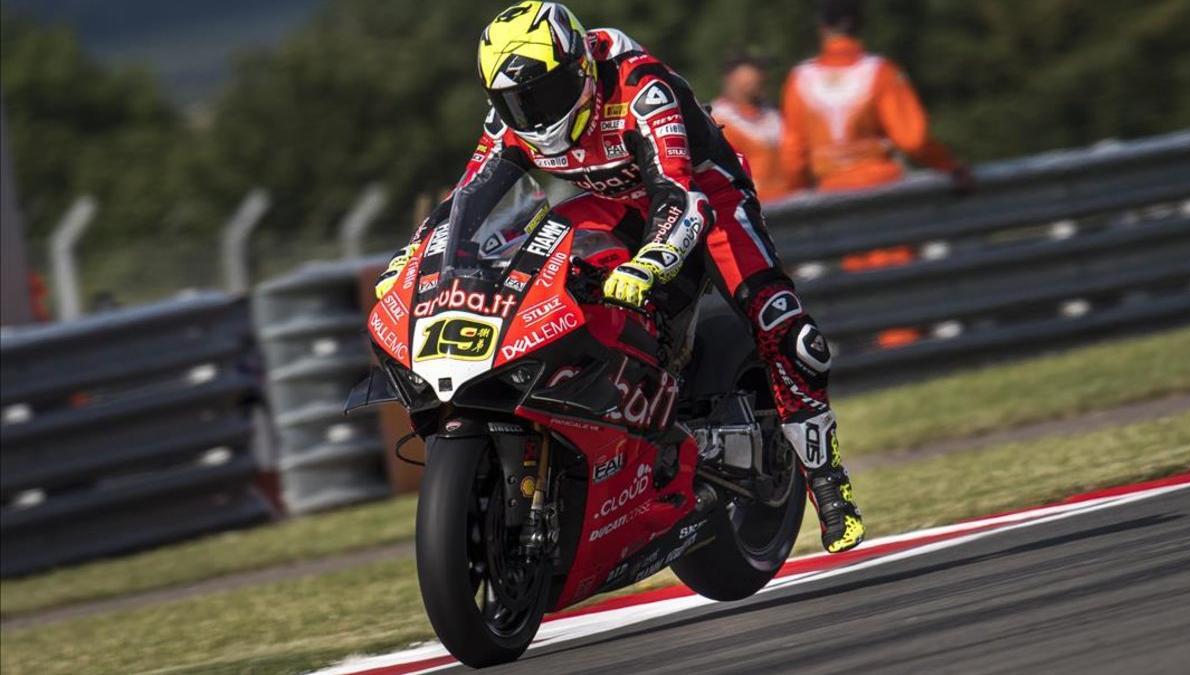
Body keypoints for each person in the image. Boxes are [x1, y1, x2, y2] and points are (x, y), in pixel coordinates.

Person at [375, 2, 863, 554]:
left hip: (707, 200)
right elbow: (467, 200)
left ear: (581, 69)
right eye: (512, 101)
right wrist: (414, 259)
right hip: (610, 204)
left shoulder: (640, 90)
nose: (530, 113)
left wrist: (652, 260)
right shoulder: (511, 122)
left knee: (785, 328)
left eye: (543, 94)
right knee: (539, 252)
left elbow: (679, 195)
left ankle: (828, 482)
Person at [779, 0, 973, 194]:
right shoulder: (881, 72)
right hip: (883, 188)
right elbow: (913, 140)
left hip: (831, 194)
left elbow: (793, 156)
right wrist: (948, 165)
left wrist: (801, 194)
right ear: (861, 24)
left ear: (822, 27)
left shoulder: (800, 79)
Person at [709, 54, 789, 202]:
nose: (757, 80)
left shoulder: (773, 116)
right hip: (750, 203)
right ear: (731, 79)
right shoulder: (717, 119)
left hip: (788, 197)